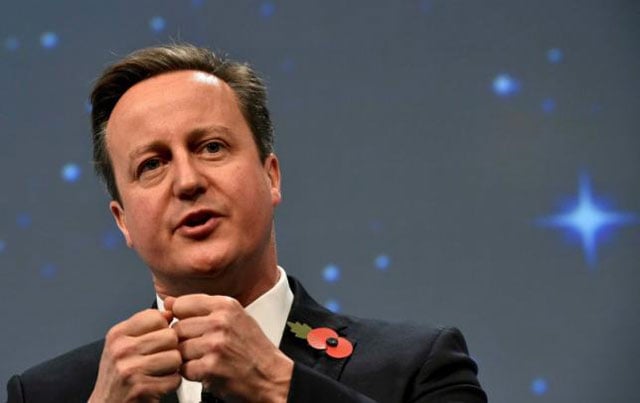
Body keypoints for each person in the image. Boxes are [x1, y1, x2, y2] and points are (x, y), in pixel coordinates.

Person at [6, 44, 487, 403]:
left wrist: (281, 386)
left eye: (211, 147)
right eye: (151, 164)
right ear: (123, 221)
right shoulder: (50, 393)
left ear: (270, 176)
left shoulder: (418, 366)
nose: (188, 181)